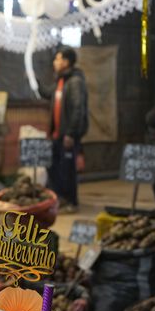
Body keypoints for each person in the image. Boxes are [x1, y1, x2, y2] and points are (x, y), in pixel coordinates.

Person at [47, 46, 88, 212]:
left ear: (66, 62)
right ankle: (60, 199)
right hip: (57, 134)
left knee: (68, 169)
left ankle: (72, 202)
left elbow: (78, 108)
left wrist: (71, 133)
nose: (54, 62)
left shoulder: (75, 82)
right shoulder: (60, 81)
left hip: (68, 135)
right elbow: (47, 94)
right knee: (55, 168)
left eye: (57, 59)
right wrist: (33, 82)